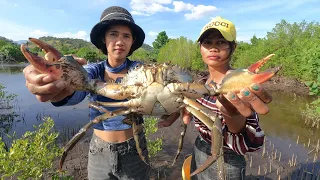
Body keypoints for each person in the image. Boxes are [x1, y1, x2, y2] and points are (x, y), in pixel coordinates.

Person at [23, 6, 152, 180]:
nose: (120, 41)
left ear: (132, 42)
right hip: (98, 150)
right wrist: (62, 86)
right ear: (104, 40)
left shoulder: (140, 70)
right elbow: (77, 92)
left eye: (126, 36)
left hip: (135, 149)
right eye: (113, 34)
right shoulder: (93, 71)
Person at [160, 16, 271, 180]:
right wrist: (172, 115)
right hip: (199, 147)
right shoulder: (200, 83)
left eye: (221, 42)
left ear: (233, 47)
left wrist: (231, 113)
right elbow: (187, 103)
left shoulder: (239, 84)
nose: (213, 48)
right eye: (207, 42)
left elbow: (247, 136)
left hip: (226, 159)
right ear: (200, 48)